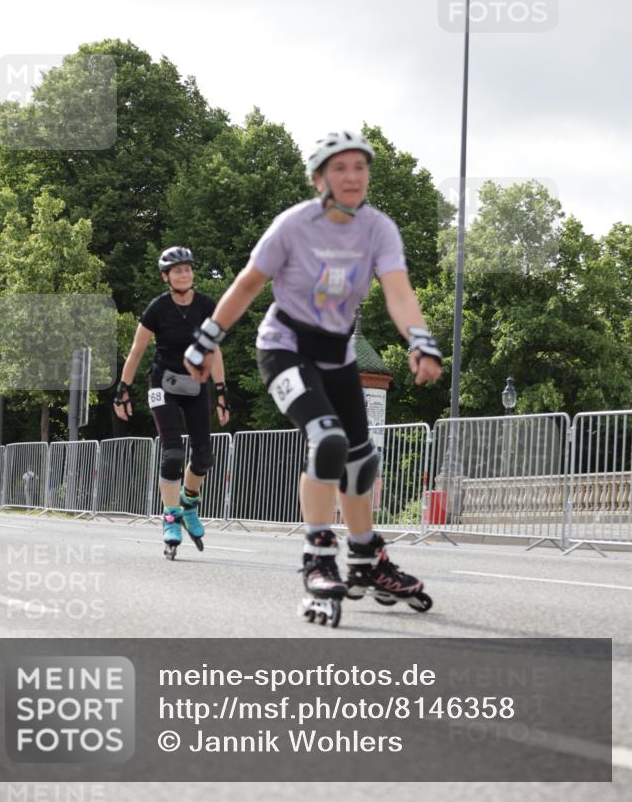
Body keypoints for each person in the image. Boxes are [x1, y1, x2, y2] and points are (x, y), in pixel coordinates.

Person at [185, 132, 442, 626]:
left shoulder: (379, 229)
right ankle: (319, 556)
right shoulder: (293, 226)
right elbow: (248, 284)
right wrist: (208, 337)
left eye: (359, 168)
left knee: (362, 460)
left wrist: (421, 340)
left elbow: (399, 292)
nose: (352, 177)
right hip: (284, 347)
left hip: (337, 353)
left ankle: (366, 558)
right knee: (327, 441)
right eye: (340, 168)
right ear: (319, 178)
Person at [113, 246, 230, 559]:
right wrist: (122, 388)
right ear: (166, 276)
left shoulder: (206, 306)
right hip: (162, 383)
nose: (185, 274)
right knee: (174, 452)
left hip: (196, 383)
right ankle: (170, 517)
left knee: (204, 457)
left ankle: (189, 504)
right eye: (178, 270)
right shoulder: (157, 308)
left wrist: (221, 391)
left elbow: (214, 351)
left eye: (188, 269)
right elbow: (137, 350)